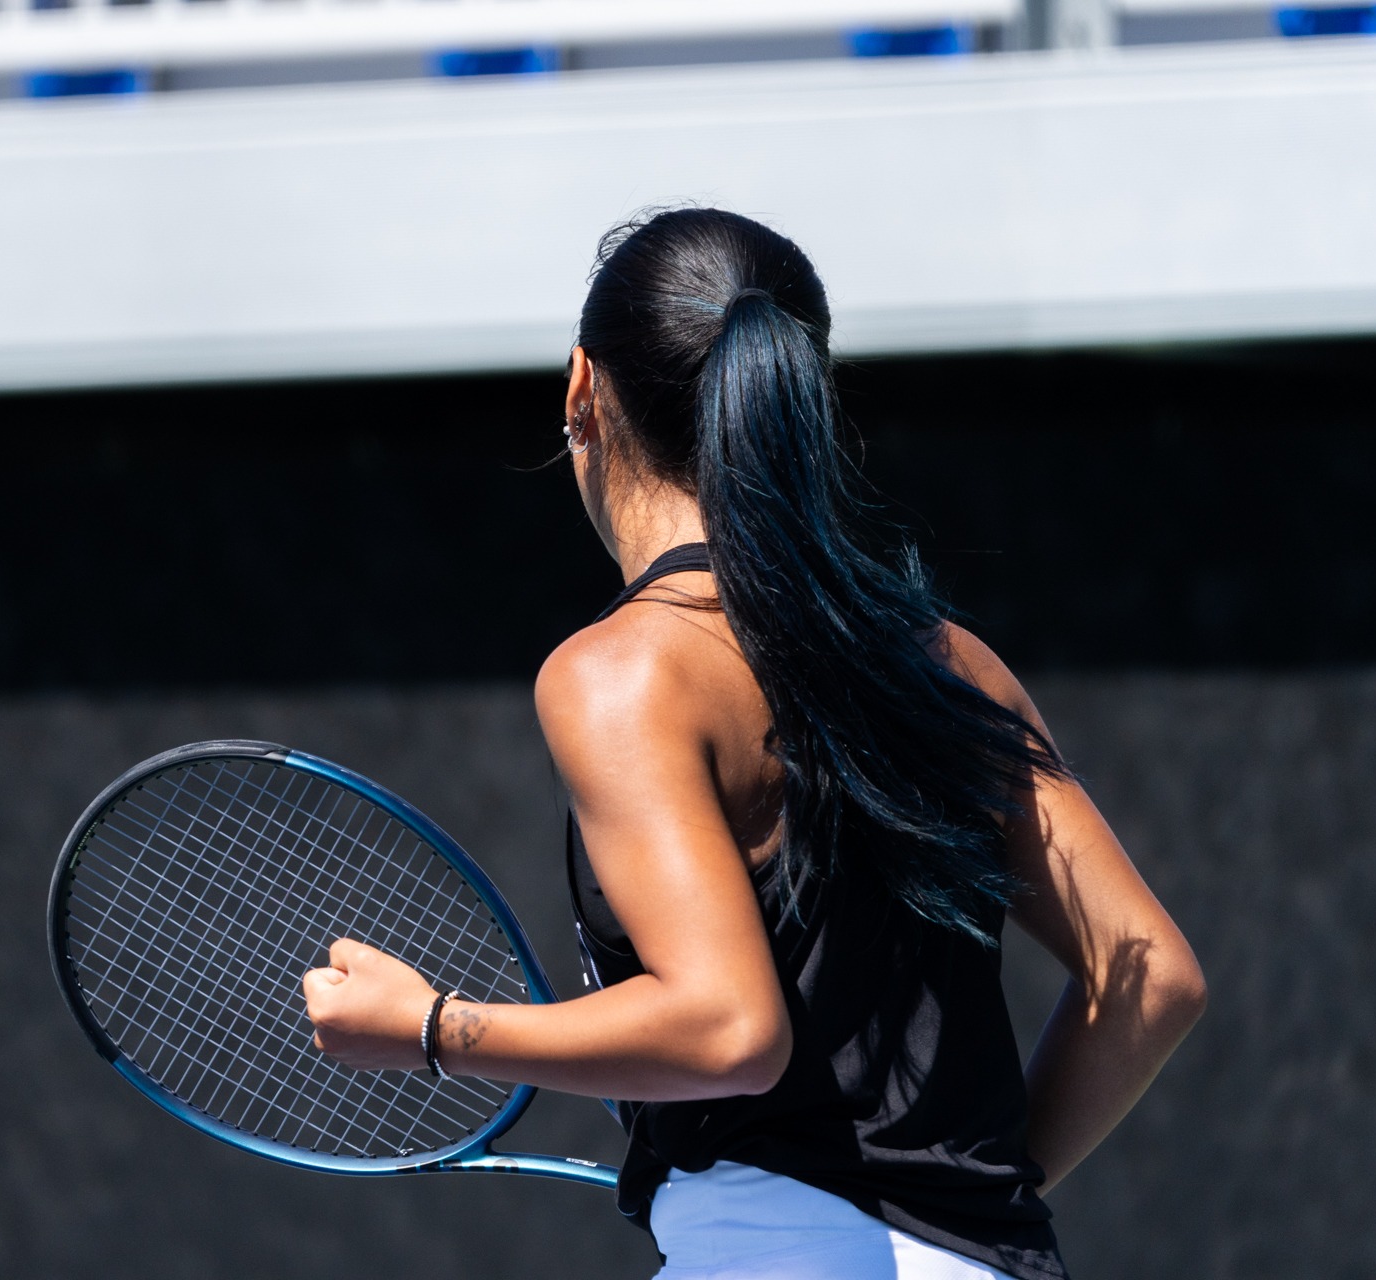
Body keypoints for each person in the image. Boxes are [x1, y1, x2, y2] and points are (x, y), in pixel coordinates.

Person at [301, 208, 1206, 1280]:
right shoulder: (950, 655)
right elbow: (1154, 982)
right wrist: (962, 1208)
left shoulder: (618, 671)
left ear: (580, 388)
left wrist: (434, 1027)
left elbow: (730, 1025)